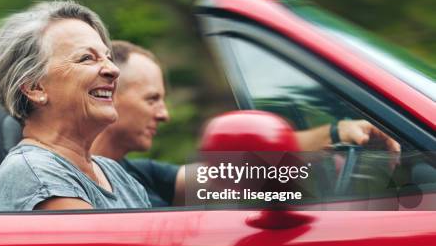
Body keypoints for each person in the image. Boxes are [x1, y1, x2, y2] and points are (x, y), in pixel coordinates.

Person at [91, 40, 401, 207]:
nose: (164, 114)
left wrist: (334, 137)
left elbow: (233, 176)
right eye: (152, 99)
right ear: (109, 95)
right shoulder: (64, 183)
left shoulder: (139, 175)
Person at [0, 1, 150, 211]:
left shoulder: (114, 173)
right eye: (87, 58)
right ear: (35, 88)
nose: (113, 70)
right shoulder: (34, 174)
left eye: (108, 57)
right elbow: (109, 244)